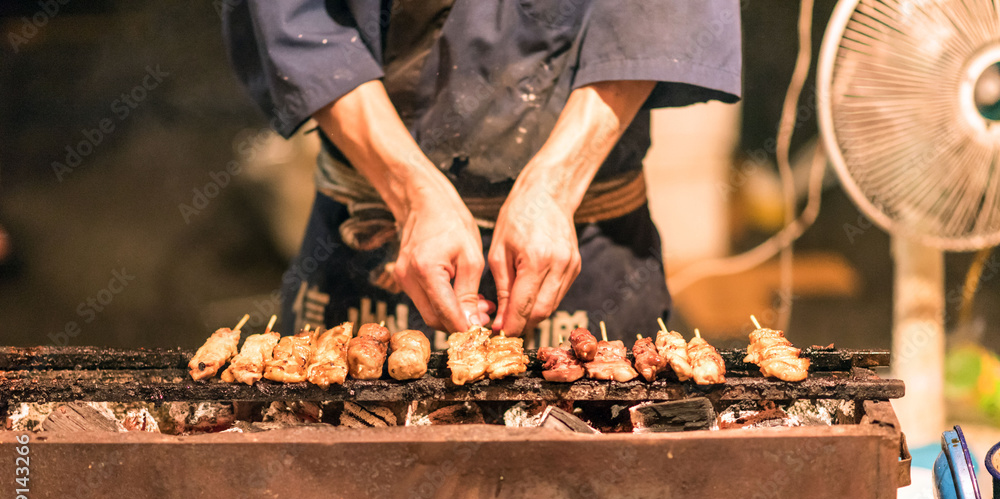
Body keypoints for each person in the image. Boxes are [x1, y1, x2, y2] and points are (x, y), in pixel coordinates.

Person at [222, 1, 741, 347]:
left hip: (589, 244)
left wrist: (554, 187)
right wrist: (410, 191)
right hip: (368, 240)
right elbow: (296, 18)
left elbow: (659, 15)